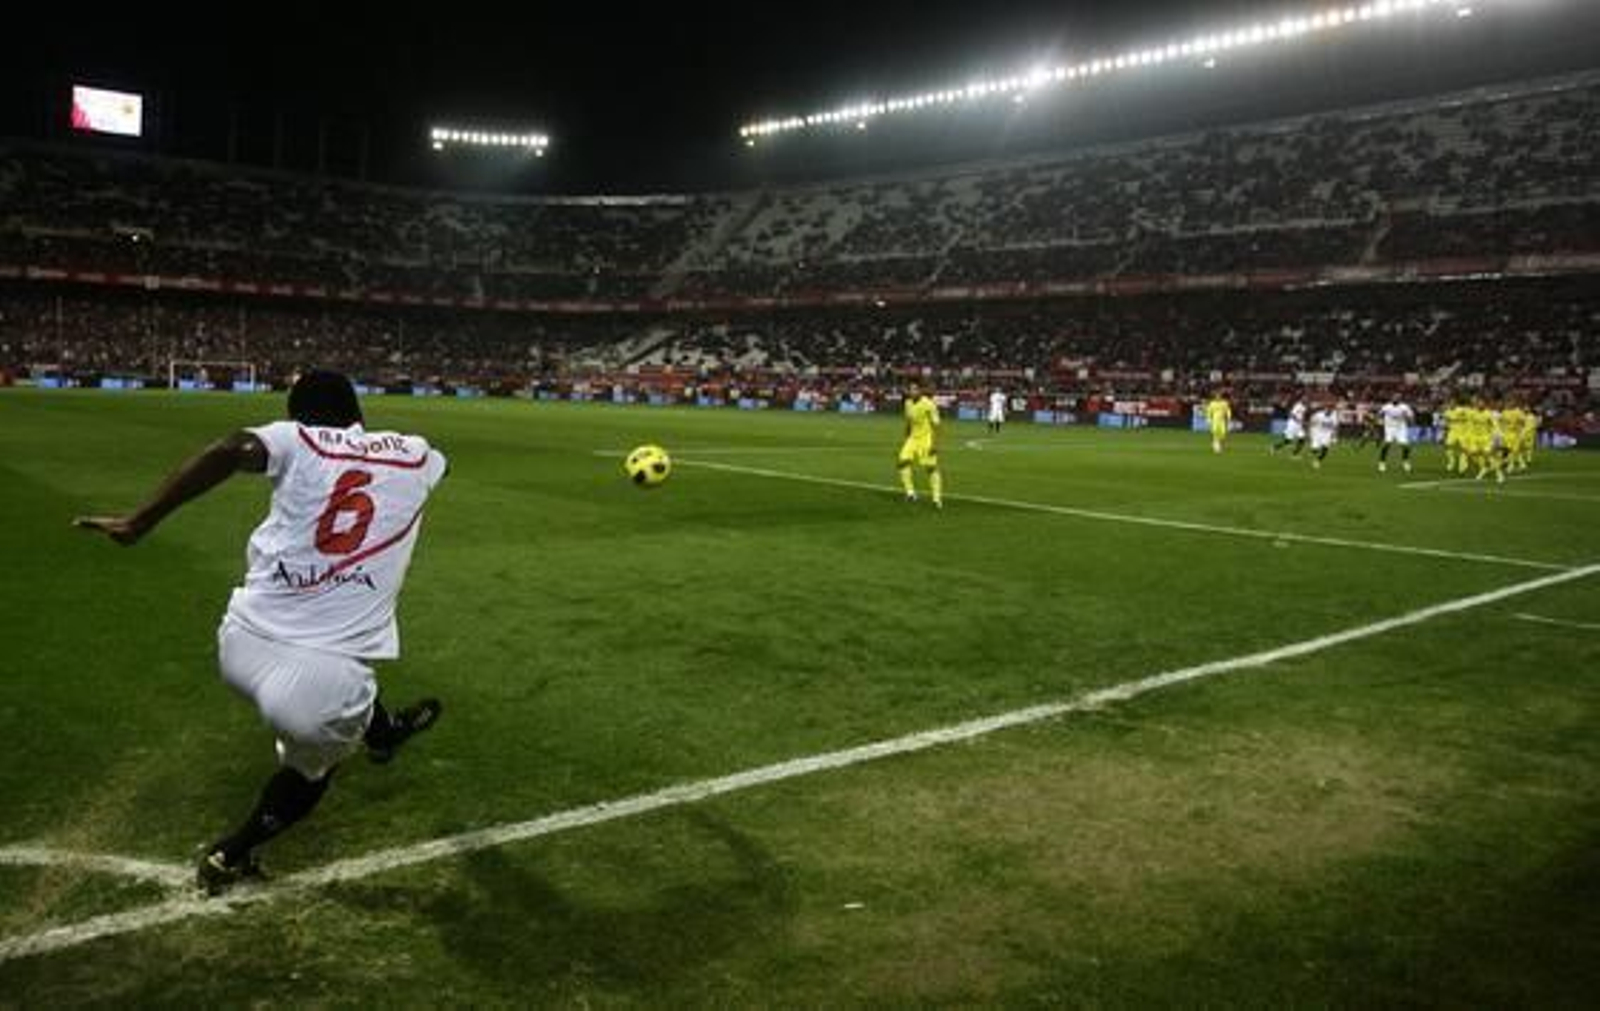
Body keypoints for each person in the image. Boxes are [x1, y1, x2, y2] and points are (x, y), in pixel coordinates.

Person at [75, 370, 448, 894]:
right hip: (320, 685)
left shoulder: (295, 438)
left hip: (241, 641)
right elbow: (435, 469)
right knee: (314, 765)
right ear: (357, 413)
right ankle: (233, 852)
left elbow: (231, 447)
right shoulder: (416, 452)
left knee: (346, 672)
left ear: (295, 416)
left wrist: (140, 521)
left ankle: (382, 732)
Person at [898, 381, 943, 508]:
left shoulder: (929, 404)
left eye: (914, 389)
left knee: (930, 468)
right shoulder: (907, 403)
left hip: (926, 439)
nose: (912, 392)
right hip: (912, 438)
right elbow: (908, 420)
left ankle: (937, 498)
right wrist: (906, 434)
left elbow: (936, 426)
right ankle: (911, 493)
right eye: (910, 389)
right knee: (902, 462)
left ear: (920, 390)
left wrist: (935, 444)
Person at [1376, 393, 1416, 474]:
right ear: (1391, 398)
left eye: (1397, 398)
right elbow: (1379, 414)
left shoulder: (1404, 407)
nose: (1395, 399)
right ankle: (1382, 463)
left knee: (1405, 446)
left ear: (1400, 399)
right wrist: (1379, 420)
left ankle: (1405, 462)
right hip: (1389, 428)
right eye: (1394, 397)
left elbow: (1411, 418)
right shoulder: (1386, 407)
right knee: (1387, 444)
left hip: (1401, 428)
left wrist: (1408, 419)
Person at [1309, 402, 1340, 470]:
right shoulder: (1319, 414)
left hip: (1327, 435)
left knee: (1325, 448)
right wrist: (1311, 430)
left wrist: (1335, 437)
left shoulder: (1334, 416)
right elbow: (1312, 421)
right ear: (1326, 409)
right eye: (1328, 408)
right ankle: (1315, 456)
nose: (1330, 410)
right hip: (1318, 433)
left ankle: (1318, 461)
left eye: (1331, 409)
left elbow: (1336, 427)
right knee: (1314, 449)